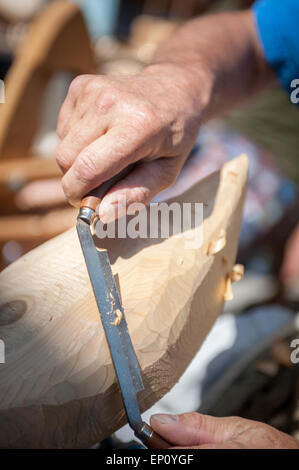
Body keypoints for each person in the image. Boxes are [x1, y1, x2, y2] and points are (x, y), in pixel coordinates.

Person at [56, 0, 299, 449]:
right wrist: (174, 82)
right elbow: (252, 36)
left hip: (268, 163)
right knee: (121, 218)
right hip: (219, 131)